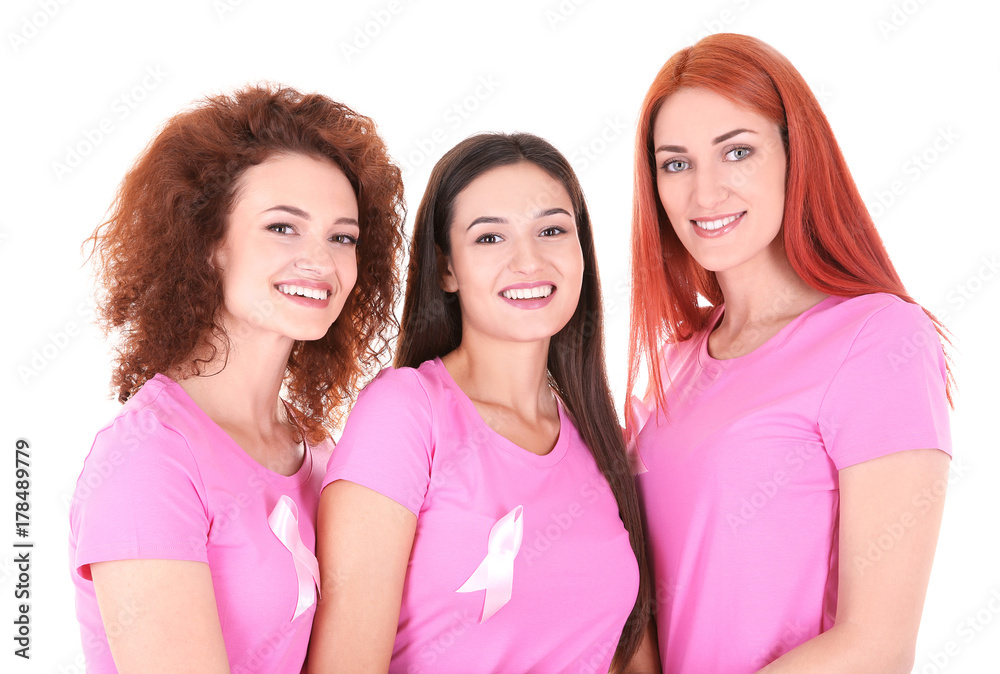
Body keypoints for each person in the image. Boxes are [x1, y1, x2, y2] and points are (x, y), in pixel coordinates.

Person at [626, 33, 953, 673]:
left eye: (737, 152)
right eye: (675, 163)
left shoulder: (880, 340)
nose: (705, 193)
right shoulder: (673, 362)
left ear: (794, 155)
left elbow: (877, 648)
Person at [69, 84, 405, 673]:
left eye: (342, 236)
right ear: (207, 242)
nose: (321, 261)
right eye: (282, 227)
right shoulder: (147, 460)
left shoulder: (321, 453)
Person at [307, 133, 657, 673]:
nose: (528, 260)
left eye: (552, 230)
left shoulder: (599, 438)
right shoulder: (405, 412)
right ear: (447, 268)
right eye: (490, 238)